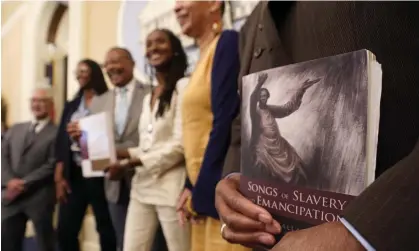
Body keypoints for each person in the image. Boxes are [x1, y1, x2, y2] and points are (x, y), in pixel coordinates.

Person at [216, 1, 419, 251]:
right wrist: (234, 180)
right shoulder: (250, 25)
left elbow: (289, 107)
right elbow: (241, 120)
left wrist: (362, 232)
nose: (264, 98)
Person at [174, 1, 250, 251]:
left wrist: (203, 193)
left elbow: (226, 122)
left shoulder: (226, 44)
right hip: (202, 190)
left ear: (214, 3)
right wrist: (189, 185)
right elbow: (197, 129)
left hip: (220, 194)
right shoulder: (201, 57)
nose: (176, 7)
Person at [106, 28, 190, 251]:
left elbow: (180, 145)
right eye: (149, 44)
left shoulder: (183, 87)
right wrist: (119, 152)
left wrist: (130, 162)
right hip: (142, 186)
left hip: (171, 188)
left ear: (174, 49)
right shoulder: (149, 96)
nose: (153, 48)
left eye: (160, 42)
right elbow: (147, 146)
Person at [55, 59, 116, 251]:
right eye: (77, 71)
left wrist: (86, 132)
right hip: (74, 172)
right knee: (65, 229)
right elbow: (61, 140)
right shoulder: (72, 105)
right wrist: (59, 175)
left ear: (95, 73)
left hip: (101, 171)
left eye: (84, 71)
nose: (80, 75)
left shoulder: (109, 99)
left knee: (105, 227)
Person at [2, 86, 57, 251]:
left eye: (42, 100)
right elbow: (2, 156)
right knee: (7, 243)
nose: (37, 104)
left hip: (39, 196)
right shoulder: (16, 128)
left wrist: (24, 183)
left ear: (50, 104)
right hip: (11, 197)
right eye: (34, 100)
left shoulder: (57, 132)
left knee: (44, 245)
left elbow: (52, 164)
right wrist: (9, 181)